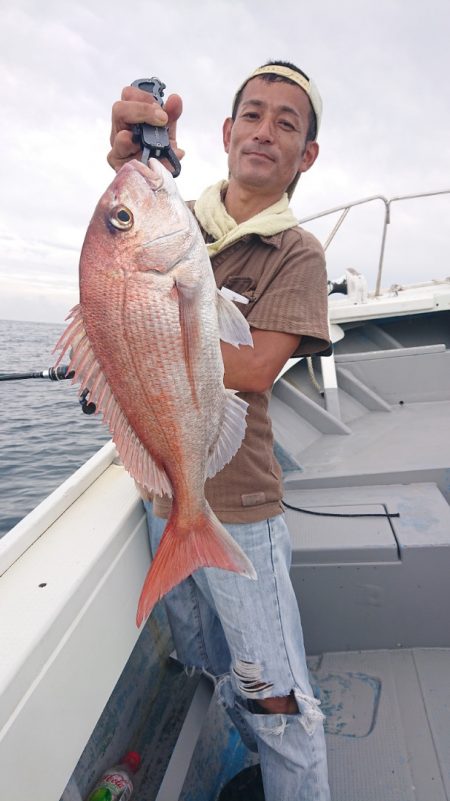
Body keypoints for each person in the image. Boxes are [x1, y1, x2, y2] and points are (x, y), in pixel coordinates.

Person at [108, 61, 331, 801]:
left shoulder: (296, 252)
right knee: (208, 653)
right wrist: (134, 161)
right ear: (227, 131)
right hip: (165, 493)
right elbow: (125, 231)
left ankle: (293, 775)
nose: (265, 131)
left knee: (277, 698)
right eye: (254, 114)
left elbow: (259, 367)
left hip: (237, 509)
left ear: (306, 156)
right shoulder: (177, 218)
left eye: (287, 123)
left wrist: (156, 322)